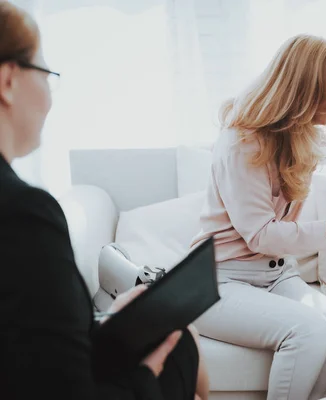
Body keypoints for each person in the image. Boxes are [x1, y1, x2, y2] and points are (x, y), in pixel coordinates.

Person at [190, 3, 326, 399]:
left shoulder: (299, 132)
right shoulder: (241, 144)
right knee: (308, 328)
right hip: (219, 280)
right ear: (308, 92)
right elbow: (261, 236)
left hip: (275, 276)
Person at [0, 3, 209, 399]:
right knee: (182, 346)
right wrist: (146, 376)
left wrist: (106, 321)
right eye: (46, 75)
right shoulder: (24, 214)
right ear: (8, 79)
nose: (49, 98)